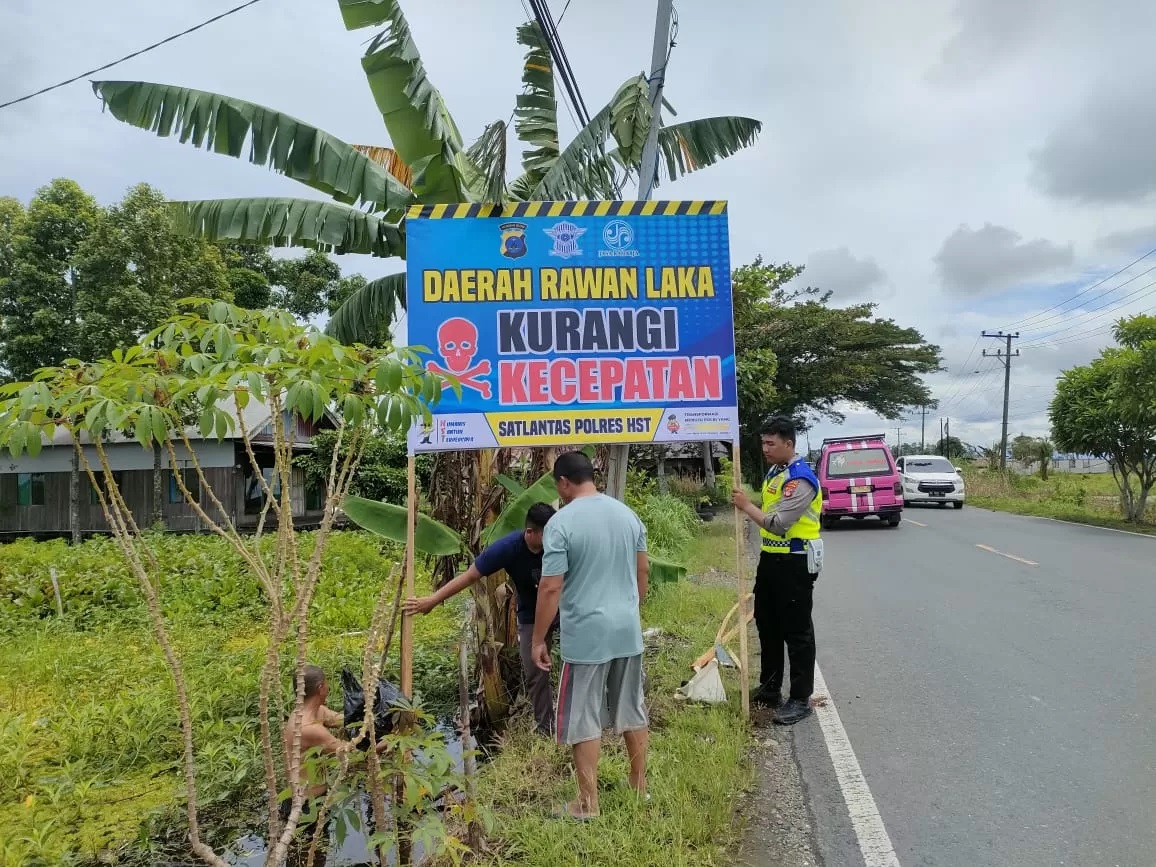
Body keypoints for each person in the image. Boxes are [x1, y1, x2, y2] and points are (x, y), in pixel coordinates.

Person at [532, 451, 650, 820]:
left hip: (586, 636)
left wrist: (538, 640)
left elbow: (550, 588)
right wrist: (630, 607)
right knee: (632, 708)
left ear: (564, 482)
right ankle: (638, 787)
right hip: (626, 629)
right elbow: (642, 571)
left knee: (583, 718)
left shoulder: (561, 523)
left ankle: (587, 804)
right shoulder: (626, 514)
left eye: (558, 486)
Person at [404, 503, 559, 735]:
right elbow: (470, 576)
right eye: (549, 534)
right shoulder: (508, 548)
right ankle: (546, 730)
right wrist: (432, 601)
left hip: (567, 609)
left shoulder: (561, 544)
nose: (555, 539)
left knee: (582, 662)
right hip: (532, 615)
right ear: (530, 532)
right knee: (536, 673)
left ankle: (583, 721)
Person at [731, 416, 823, 726]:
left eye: (771, 443)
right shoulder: (776, 473)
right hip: (770, 560)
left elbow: (777, 523)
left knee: (796, 631)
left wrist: (746, 506)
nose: (765, 449)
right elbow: (769, 510)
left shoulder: (801, 478)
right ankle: (771, 687)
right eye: (763, 443)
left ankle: (800, 698)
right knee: (767, 625)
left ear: (789, 443)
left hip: (795, 561)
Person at [280, 665, 389, 865]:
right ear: (321, 687)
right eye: (327, 684)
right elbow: (353, 753)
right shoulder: (309, 729)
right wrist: (386, 744)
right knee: (308, 859)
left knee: (313, 855)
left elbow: (342, 719)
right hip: (305, 806)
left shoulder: (313, 712)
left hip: (313, 799)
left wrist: (372, 715)